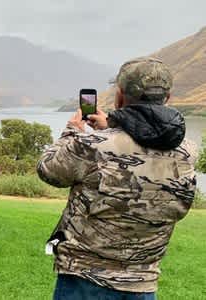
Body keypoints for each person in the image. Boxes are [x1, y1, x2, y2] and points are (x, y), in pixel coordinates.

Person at [37, 57, 197, 300]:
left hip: (85, 280)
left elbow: (48, 169)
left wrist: (72, 131)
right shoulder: (187, 152)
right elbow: (139, 149)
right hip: (143, 284)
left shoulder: (92, 147)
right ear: (168, 97)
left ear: (120, 96)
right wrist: (111, 128)